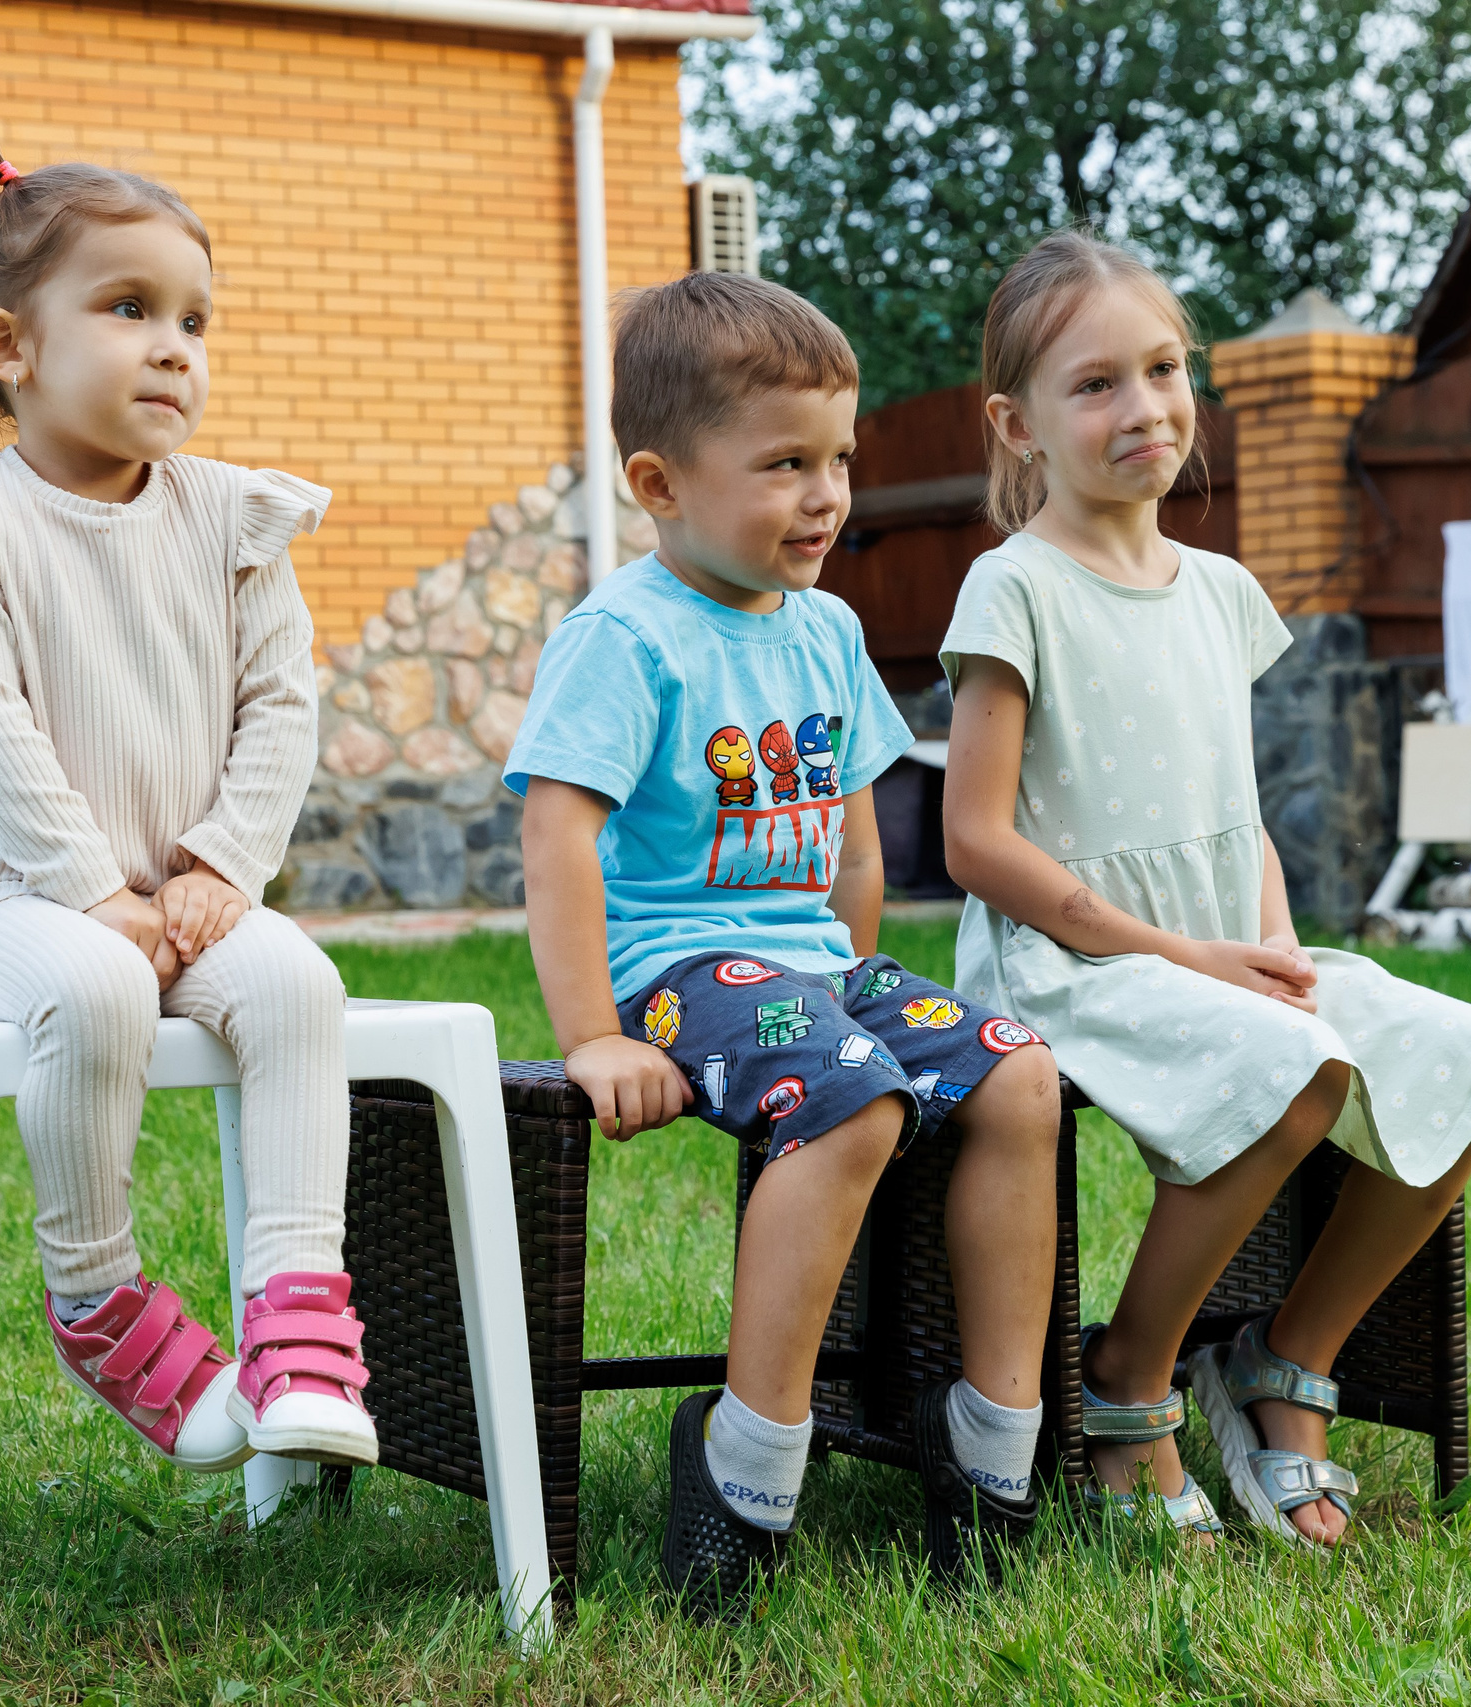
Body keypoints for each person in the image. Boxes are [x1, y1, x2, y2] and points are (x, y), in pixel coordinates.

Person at [939, 230, 1471, 1548]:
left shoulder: (1219, 591)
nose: (1144, 408)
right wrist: (1189, 958)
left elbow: (1231, 811)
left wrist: (1266, 940)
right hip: (1068, 963)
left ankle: (1283, 1357)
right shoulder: (1016, 587)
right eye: (1094, 385)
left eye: (1162, 369)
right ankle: (1128, 1380)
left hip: (1221, 941)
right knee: (1295, 1066)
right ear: (1019, 424)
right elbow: (975, 842)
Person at [505, 273, 1065, 1617]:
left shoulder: (824, 630)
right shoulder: (624, 639)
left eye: (837, 461)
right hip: (669, 972)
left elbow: (859, 848)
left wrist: (852, 976)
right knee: (851, 1096)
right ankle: (746, 1459)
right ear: (660, 481)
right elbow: (558, 843)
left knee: (1018, 1074)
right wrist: (593, 1030)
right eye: (783, 465)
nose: (828, 495)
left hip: (807, 963)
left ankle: (988, 1449)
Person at [0, 118, 374, 1476]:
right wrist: (95, 893)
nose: (173, 347)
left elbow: (283, 703)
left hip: (191, 894)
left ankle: (296, 1311)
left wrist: (220, 867)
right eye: (130, 308)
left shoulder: (234, 515)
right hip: (23, 903)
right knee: (95, 990)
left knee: (300, 988)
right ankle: (94, 1292)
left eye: (194, 319)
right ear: (11, 349)